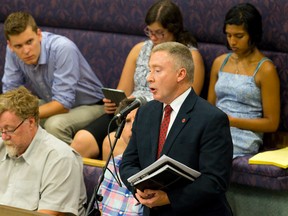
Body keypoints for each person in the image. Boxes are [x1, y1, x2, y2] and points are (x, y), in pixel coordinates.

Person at [71, 0, 205, 159]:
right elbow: (124, 91)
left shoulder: (189, 56)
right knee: (81, 140)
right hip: (129, 108)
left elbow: (187, 102)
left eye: (159, 32)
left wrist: (143, 106)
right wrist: (115, 102)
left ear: (173, 30)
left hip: (156, 113)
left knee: (111, 141)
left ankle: (115, 184)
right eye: (150, 31)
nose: (153, 37)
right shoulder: (139, 49)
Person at [120, 42, 233, 216]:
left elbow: (215, 180)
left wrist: (169, 198)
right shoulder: (145, 112)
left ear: (180, 74)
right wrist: (139, 188)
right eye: (149, 70)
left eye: (157, 71)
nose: (149, 77)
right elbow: (128, 163)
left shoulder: (211, 118)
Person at [3, 11, 105, 144]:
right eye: (18, 46)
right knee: (7, 114)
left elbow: (62, 104)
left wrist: (22, 115)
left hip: (92, 106)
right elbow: (10, 94)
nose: (26, 50)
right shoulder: (12, 52)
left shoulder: (62, 48)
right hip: (50, 101)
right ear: (10, 45)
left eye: (29, 42)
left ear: (39, 34)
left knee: (54, 125)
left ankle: (67, 163)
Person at [207, 3, 280, 158]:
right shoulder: (220, 62)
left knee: (208, 153)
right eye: (228, 35)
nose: (232, 42)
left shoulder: (265, 69)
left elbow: (272, 123)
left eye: (239, 36)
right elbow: (209, 107)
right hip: (217, 129)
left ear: (253, 35)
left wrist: (232, 121)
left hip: (244, 136)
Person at [0, 86, 86, 216]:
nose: (4, 137)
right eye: (1, 130)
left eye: (10, 129)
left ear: (30, 122)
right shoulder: (2, 144)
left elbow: (50, 214)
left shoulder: (60, 158)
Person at [99, 108, 143, 215]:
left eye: (138, 119)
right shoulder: (112, 165)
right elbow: (101, 209)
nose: (132, 127)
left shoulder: (159, 168)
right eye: (127, 121)